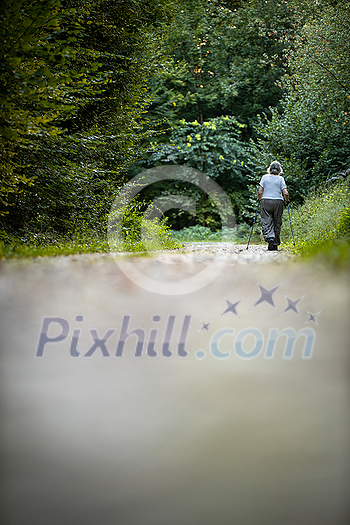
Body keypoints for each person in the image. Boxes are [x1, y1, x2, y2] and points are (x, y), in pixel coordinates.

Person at [258, 160, 289, 251]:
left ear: (270, 169)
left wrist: (260, 199)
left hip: (266, 201)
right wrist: (287, 200)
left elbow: (260, 191)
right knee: (277, 221)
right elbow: (285, 193)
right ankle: (275, 243)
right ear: (279, 170)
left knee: (266, 221)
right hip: (278, 202)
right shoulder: (281, 179)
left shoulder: (264, 177)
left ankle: (270, 238)